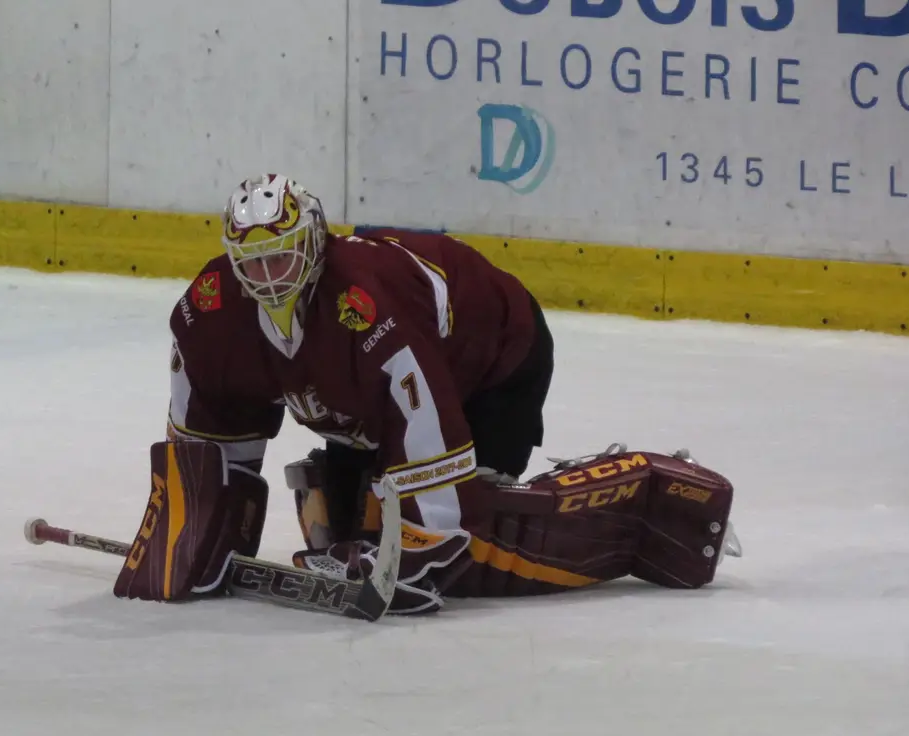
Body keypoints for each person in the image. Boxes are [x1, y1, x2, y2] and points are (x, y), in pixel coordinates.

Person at [115, 174, 735, 614]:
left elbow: (425, 413)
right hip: (367, 406)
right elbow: (209, 414)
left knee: (478, 544)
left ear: (314, 245)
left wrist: (431, 540)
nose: (269, 277)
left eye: (283, 258)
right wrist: (196, 515)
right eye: (254, 263)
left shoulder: (365, 304)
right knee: (339, 526)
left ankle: (642, 506)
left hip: (496, 367)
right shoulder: (214, 306)